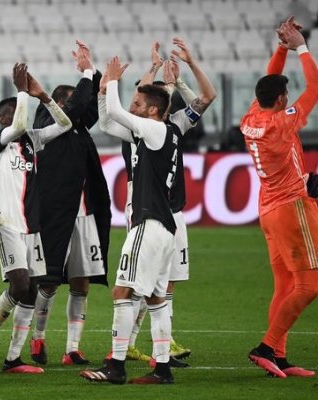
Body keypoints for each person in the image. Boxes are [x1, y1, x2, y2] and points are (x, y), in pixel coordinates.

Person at [81, 51, 210, 384]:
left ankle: (116, 366)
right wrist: (103, 91)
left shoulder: (155, 130)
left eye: (138, 102)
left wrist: (110, 81)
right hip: (163, 225)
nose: (133, 106)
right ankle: (163, 369)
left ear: (152, 110)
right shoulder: (153, 132)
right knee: (155, 299)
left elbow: (115, 111)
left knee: (122, 292)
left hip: (149, 222)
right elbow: (109, 121)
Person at [0, 63, 72, 374]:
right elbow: (16, 126)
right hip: (5, 221)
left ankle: (14, 358)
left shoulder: (33, 139)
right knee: (19, 285)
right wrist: (20, 92)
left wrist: (44, 97)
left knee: (33, 288)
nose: (16, 118)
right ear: (1, 119)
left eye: (17, 111)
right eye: (10, 113)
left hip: (32, 225)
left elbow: (66, 124)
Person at [124, 39, 217, 365]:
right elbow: (141, 97)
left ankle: (163, 340)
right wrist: (151, 70)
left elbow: (206, 99)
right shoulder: (136, 127)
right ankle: (129, 342)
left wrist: (181, 77)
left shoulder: (174, 123)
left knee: (168, 278)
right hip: (145, 207)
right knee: (138, 279)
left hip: (173, 209)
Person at [242, 17, 318, 378]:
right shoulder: (282, 122)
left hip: (268, 209)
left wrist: (281, 49)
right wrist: (301, 45)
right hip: (291, 206)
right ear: (282, 100)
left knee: (286, 284)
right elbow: (315, 86)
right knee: (310, 284)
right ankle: (267, 346)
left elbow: (271, 83)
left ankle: (279, 355)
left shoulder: (252, 117)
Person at [28, 40, 111, 366]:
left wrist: (97, 77)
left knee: (81, 282)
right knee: (49, 282)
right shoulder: (49, 126)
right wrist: (87, 73)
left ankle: (72, 348)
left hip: (84, 216)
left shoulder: (77, 130)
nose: (79, 106)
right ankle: (38, 340)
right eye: (72, 100)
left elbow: (85, 109)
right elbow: (78, 108)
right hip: (55, 216)